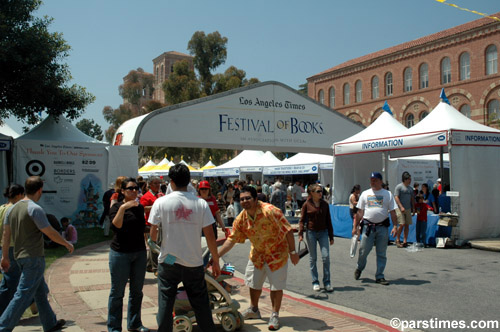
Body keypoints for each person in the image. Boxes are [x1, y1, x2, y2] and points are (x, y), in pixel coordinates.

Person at [148, 164, 221, 332]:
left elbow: (153, 231)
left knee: (165, 304)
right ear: (189, 181)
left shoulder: (161, 202)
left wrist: (155, 251)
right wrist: (215, 261)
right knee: (201, 304)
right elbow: (210, 235)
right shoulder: (201, 204)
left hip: (168, 261)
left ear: (171, 182)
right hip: (193, 262)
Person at [218, 186, 300, 331]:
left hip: (277, 255)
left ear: (256, 199)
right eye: (242, 199)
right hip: (257, 255)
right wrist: (216, 255)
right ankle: (254, 309)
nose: (245, 201)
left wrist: (293, 252)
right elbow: (232, 240)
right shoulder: (241, 218)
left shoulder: (270, 211)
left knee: (276, 286)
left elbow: (287, 230)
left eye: (248, 198)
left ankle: (274, 314)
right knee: (253, 283)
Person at [0, 176, 74, 331]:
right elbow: (49, 231)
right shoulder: (34, 208)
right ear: (40, 190)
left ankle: (50, 323)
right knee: (22, 295)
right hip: (33, 258)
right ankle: (3, 326)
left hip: (19, 257)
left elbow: (6, 235)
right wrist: (66, 243)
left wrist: (5, 256)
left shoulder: (12, 209)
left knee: (40, 293)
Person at [107, 178, 149, 332]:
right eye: (130, 188)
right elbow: (116, 226)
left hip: (138, 253)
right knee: (117, 293)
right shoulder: (116, 207)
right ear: (122, 191)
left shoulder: (139, 208)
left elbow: (140, 228)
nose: (133, 191)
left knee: (137, 292)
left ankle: (134, 323)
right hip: (120, 254)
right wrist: (124, 207)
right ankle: (114, 327)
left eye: (136, 188)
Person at [353, 172, 398, 286]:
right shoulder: (365, 194)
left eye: (375, 180)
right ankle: (360, 267)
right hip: (368, 227)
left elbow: (393, 211)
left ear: (380, 181)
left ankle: (380, 276)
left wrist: (395, 226)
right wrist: (355, 227)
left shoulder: (387, 194)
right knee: (363, 251)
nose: (373, 182)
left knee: (381, 253)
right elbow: (359, 212)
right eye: (371, 180)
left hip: (382, 227)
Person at [298, 184, 334, 292]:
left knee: (325, 257)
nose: (320, 193)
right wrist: (300, 234)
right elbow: (302, 220)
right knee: (313, 258)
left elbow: (329, 220)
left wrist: (331, 236)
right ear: (312, 193)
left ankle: (327, 282)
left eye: (321, 191)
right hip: (311, 232)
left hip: (323, 232)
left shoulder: (325, 204)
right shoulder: (306, 204)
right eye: (318, 191)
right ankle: (315, 281)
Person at [0, 184, 24, 316]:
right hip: (12, 248)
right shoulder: (15, 210)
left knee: (7, 281)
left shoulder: (1, 208)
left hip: (3, 247)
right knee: (14, 282)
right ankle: (10, 314)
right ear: (19, 195)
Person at [140, 177, 164, 274]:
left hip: (160, 224)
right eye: (155, 183)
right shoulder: (146, 196)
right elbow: (143, 208)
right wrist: (155, 206)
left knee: (155, 245)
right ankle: (156, 268)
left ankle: (149, 265)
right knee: (154, 246)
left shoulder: (159, 195)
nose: (158, 185)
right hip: (150, 224)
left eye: (159, 183)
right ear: (150, 184)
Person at [394, 172, 415, 248]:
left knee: (407, 225)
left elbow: (412, 198)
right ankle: (398, 239)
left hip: (408, 208)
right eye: (409, 179)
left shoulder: (410, 188)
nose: (410, 180)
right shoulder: (399, 187)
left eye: (410, 179)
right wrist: (401, 206)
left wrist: (413, 208)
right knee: (401, 224)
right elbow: (396, 197)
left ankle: (405, 240)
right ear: (405, 179)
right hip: (400, 209)